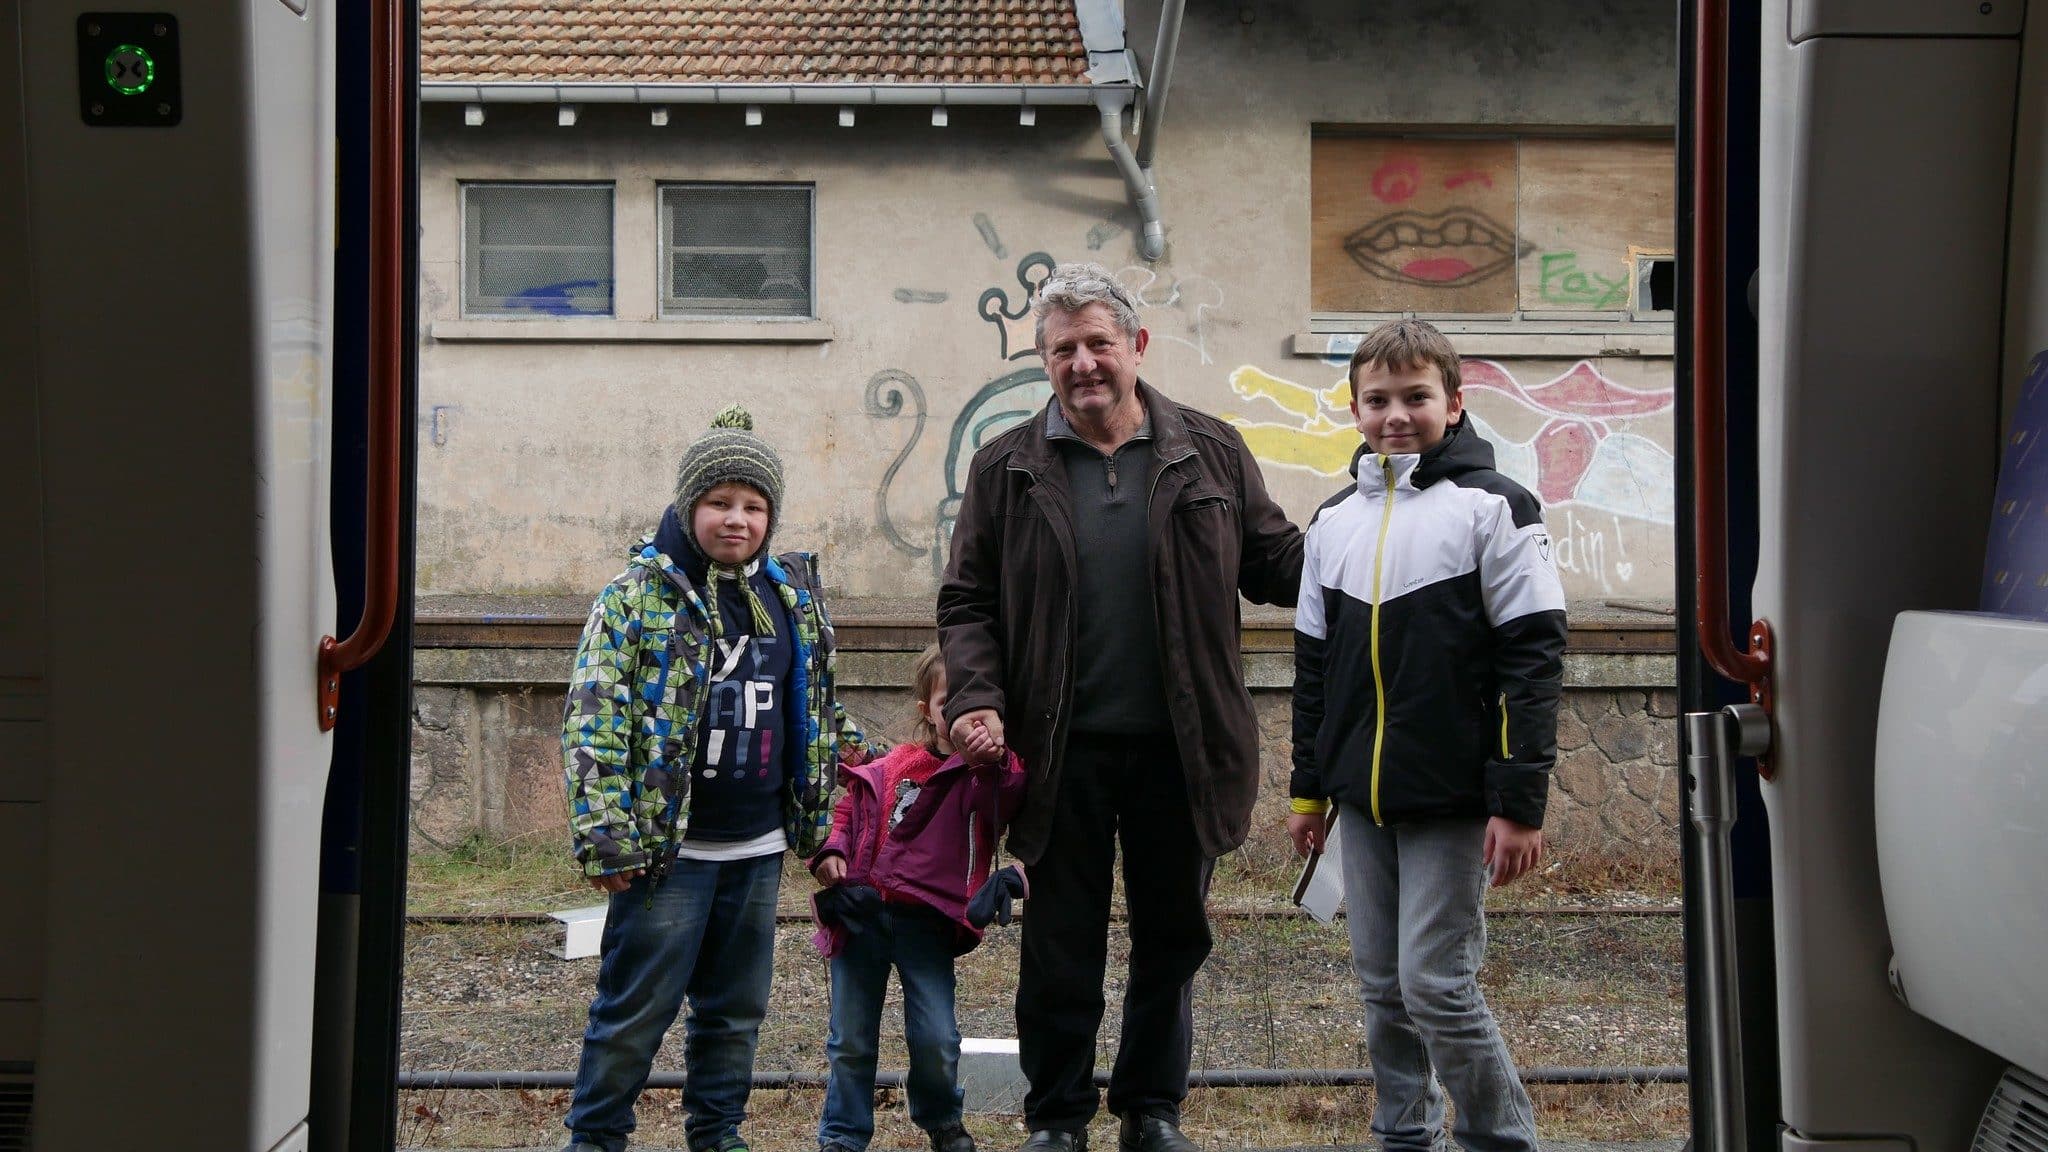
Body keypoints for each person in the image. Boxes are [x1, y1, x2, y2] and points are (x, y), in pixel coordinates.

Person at [937, 262, 1304, 1152]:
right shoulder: (1006, 469)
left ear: (1137, 346)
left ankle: (1150, 1108)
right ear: (1044, 361)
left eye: (1100, 343)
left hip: (1185, 745)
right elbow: (967, 602)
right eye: (1063, 349)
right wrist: (976, 698)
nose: (1084, 363)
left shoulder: (1210, 451)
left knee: (1172, 939)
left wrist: (1385, 518)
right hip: (1056, 751)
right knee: (1059, 949)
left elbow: (1282, 564)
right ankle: (1057, 1117)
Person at [559, 405, 875, 1152]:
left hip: (757, 846)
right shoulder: (636, 599)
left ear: (771, 516)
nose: (737, 520)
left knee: (735, 1013)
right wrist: (606, 834)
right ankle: (597, 1137)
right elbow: (592, 720)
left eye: (753, 507)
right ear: (687, 505)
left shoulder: (787, 599)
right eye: (719, 503)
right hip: (670, 856)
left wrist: (879, 763)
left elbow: (817, 710)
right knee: (636, 1011)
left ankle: (718, 1133)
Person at [1284, 319, 1567, 1152]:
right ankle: (1404, 1135)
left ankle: (1498, 1138)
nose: (1395, 414)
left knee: (1436, 983)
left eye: (1416, 397)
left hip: (1452, 797)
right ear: (1354, 408)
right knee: (1381, 985)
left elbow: (1533, 662)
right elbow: (1312, 675)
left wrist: (1518, 802)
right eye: (1378, 399)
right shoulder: (1332, 521)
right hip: (1361, 803)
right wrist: (1309, 793)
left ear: (1454, 402)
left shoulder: (1497, 507)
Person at [808, 644, 1027, 1152]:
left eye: (975, 704)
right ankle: (842, 1134)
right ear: (926, 710)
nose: (962, 717)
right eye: (949, 702)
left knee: (935, 1038)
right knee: (850, 1040)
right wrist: (831, 850)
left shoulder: (986, 776)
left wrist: (993, 758)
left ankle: (941, 1118)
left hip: (926, 923)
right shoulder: (894, 764)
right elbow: (851, 812)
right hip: (859, 916)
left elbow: (1010, 792)